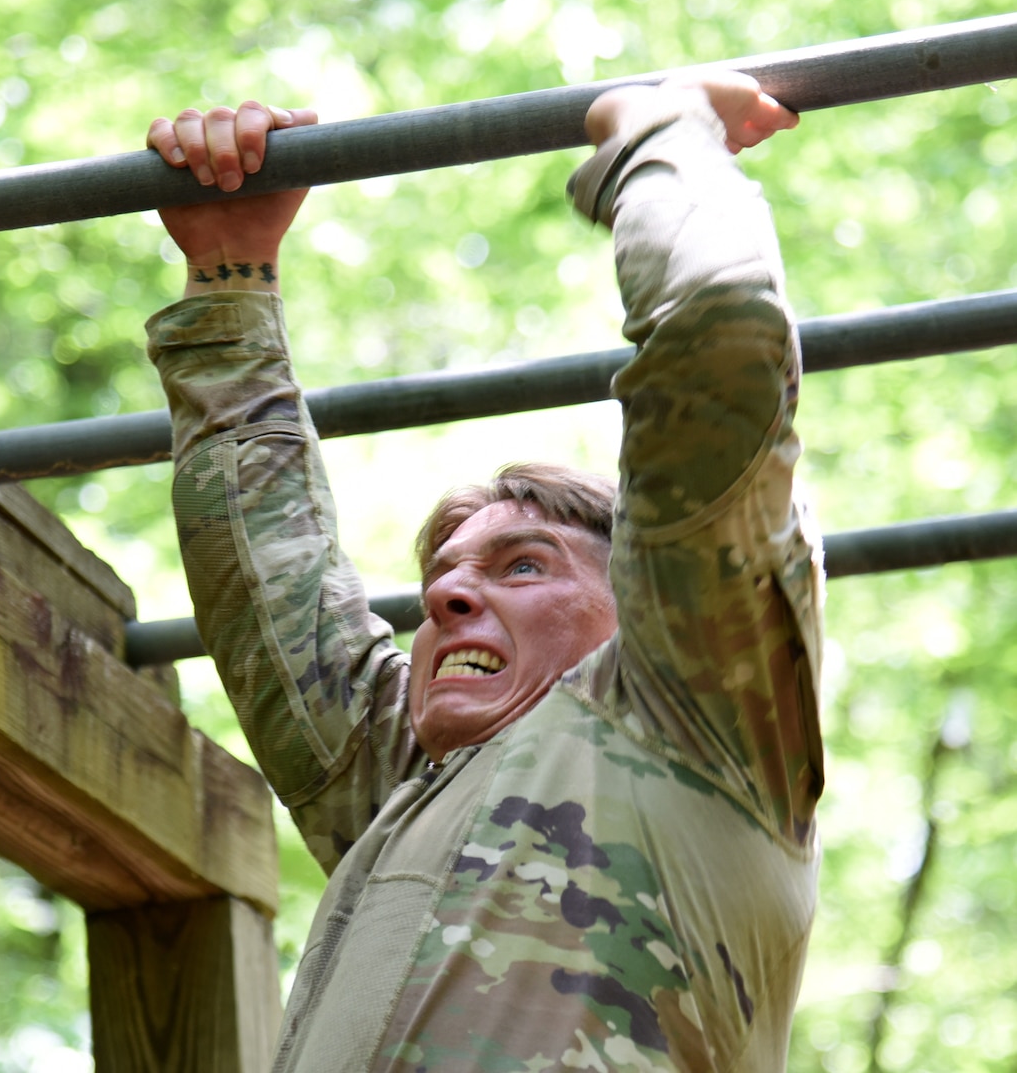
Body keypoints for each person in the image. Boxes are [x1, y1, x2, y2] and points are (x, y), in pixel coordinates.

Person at [143, 72, 824, 1072]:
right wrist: (229, 269)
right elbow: (265, 588)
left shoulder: (693, 717)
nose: (447, 595)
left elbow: (717, 361)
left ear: (642, 609)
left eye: (523, 565)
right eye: (445, 576)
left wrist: (661, 138)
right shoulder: (403, 786)